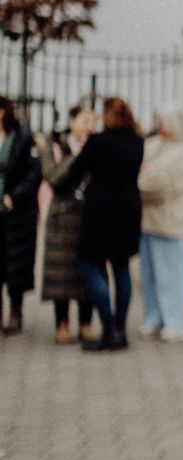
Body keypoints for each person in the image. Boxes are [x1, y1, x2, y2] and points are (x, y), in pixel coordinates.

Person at [56, 96, 144, 352]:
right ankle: (121, 329)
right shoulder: (138, 143)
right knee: (121, 267)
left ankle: (109, 328)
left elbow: (73, 172)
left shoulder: (97, 142)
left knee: (89, 263)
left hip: (100, 211)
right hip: (129, 209)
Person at [137, 107, 183, 342]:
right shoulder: (153, 145)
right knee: (149, 274)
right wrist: (144, 173)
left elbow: (159, 184)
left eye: (164, 121)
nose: (159, 125)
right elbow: (139, 170)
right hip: (148, 221)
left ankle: (178, 323)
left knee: (170, 275)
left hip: (171, 222)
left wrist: (144, 174)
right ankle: (154, 319)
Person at [39, 104, 96, 343]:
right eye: (84, 120)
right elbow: (54, 177)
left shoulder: (96, 146)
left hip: (89, 217)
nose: (89, 126)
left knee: (88, 273)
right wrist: (77, 156)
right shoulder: (54, 147)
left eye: (93, 121)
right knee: (60, 273)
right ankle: (61, 323)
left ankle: (86, 323)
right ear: (71, 121)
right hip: (62, 217)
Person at [0, 96, 42, 335]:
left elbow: (34, 173)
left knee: (15, 261)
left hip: (16, 211)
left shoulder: (23, 137)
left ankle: (16, 311)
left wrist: (14, 196)